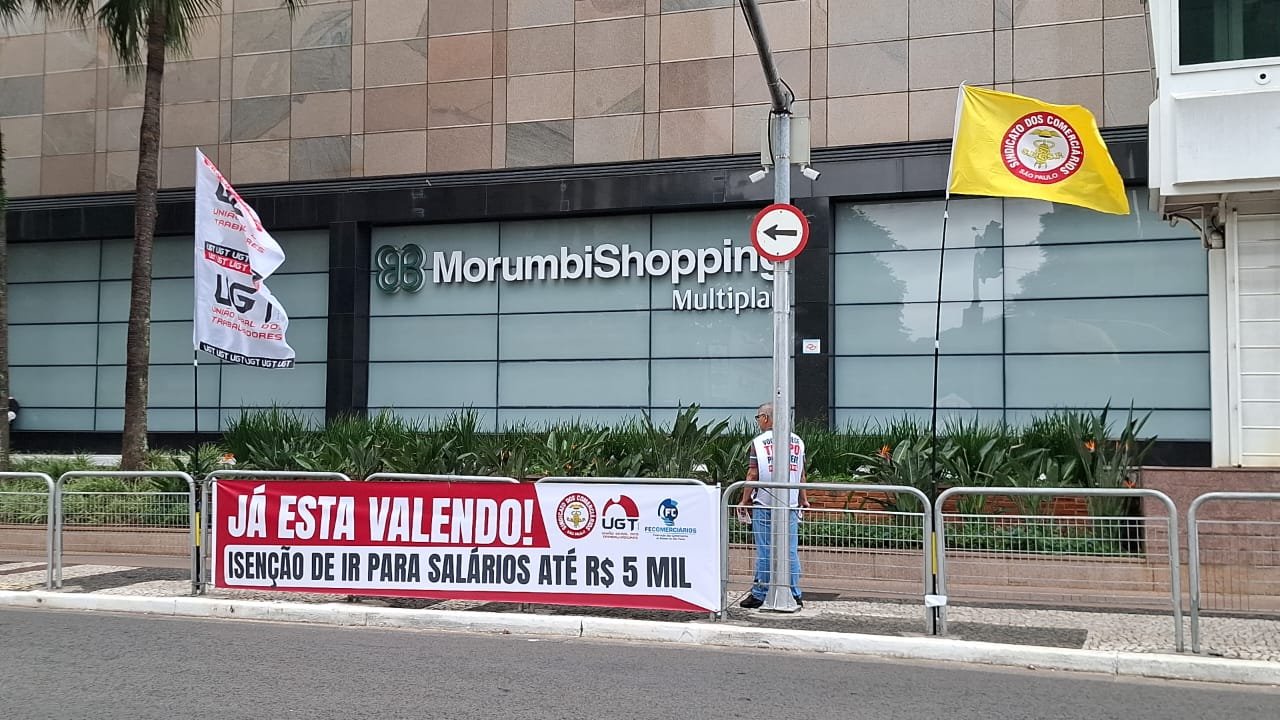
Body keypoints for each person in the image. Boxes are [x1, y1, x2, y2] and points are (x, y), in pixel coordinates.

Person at [740, 402, 808, 609]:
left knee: (765, 550)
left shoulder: (759, 442)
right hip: (790, 504)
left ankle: (760, 593)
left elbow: (753, 474)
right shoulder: (798, 441)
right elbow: (802, 475)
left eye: (758, 417)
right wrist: (803, 499)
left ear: (767, 418)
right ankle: (794, 592)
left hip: (765, 504)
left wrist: (744, 500)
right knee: (790, 550)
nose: (758, 421)